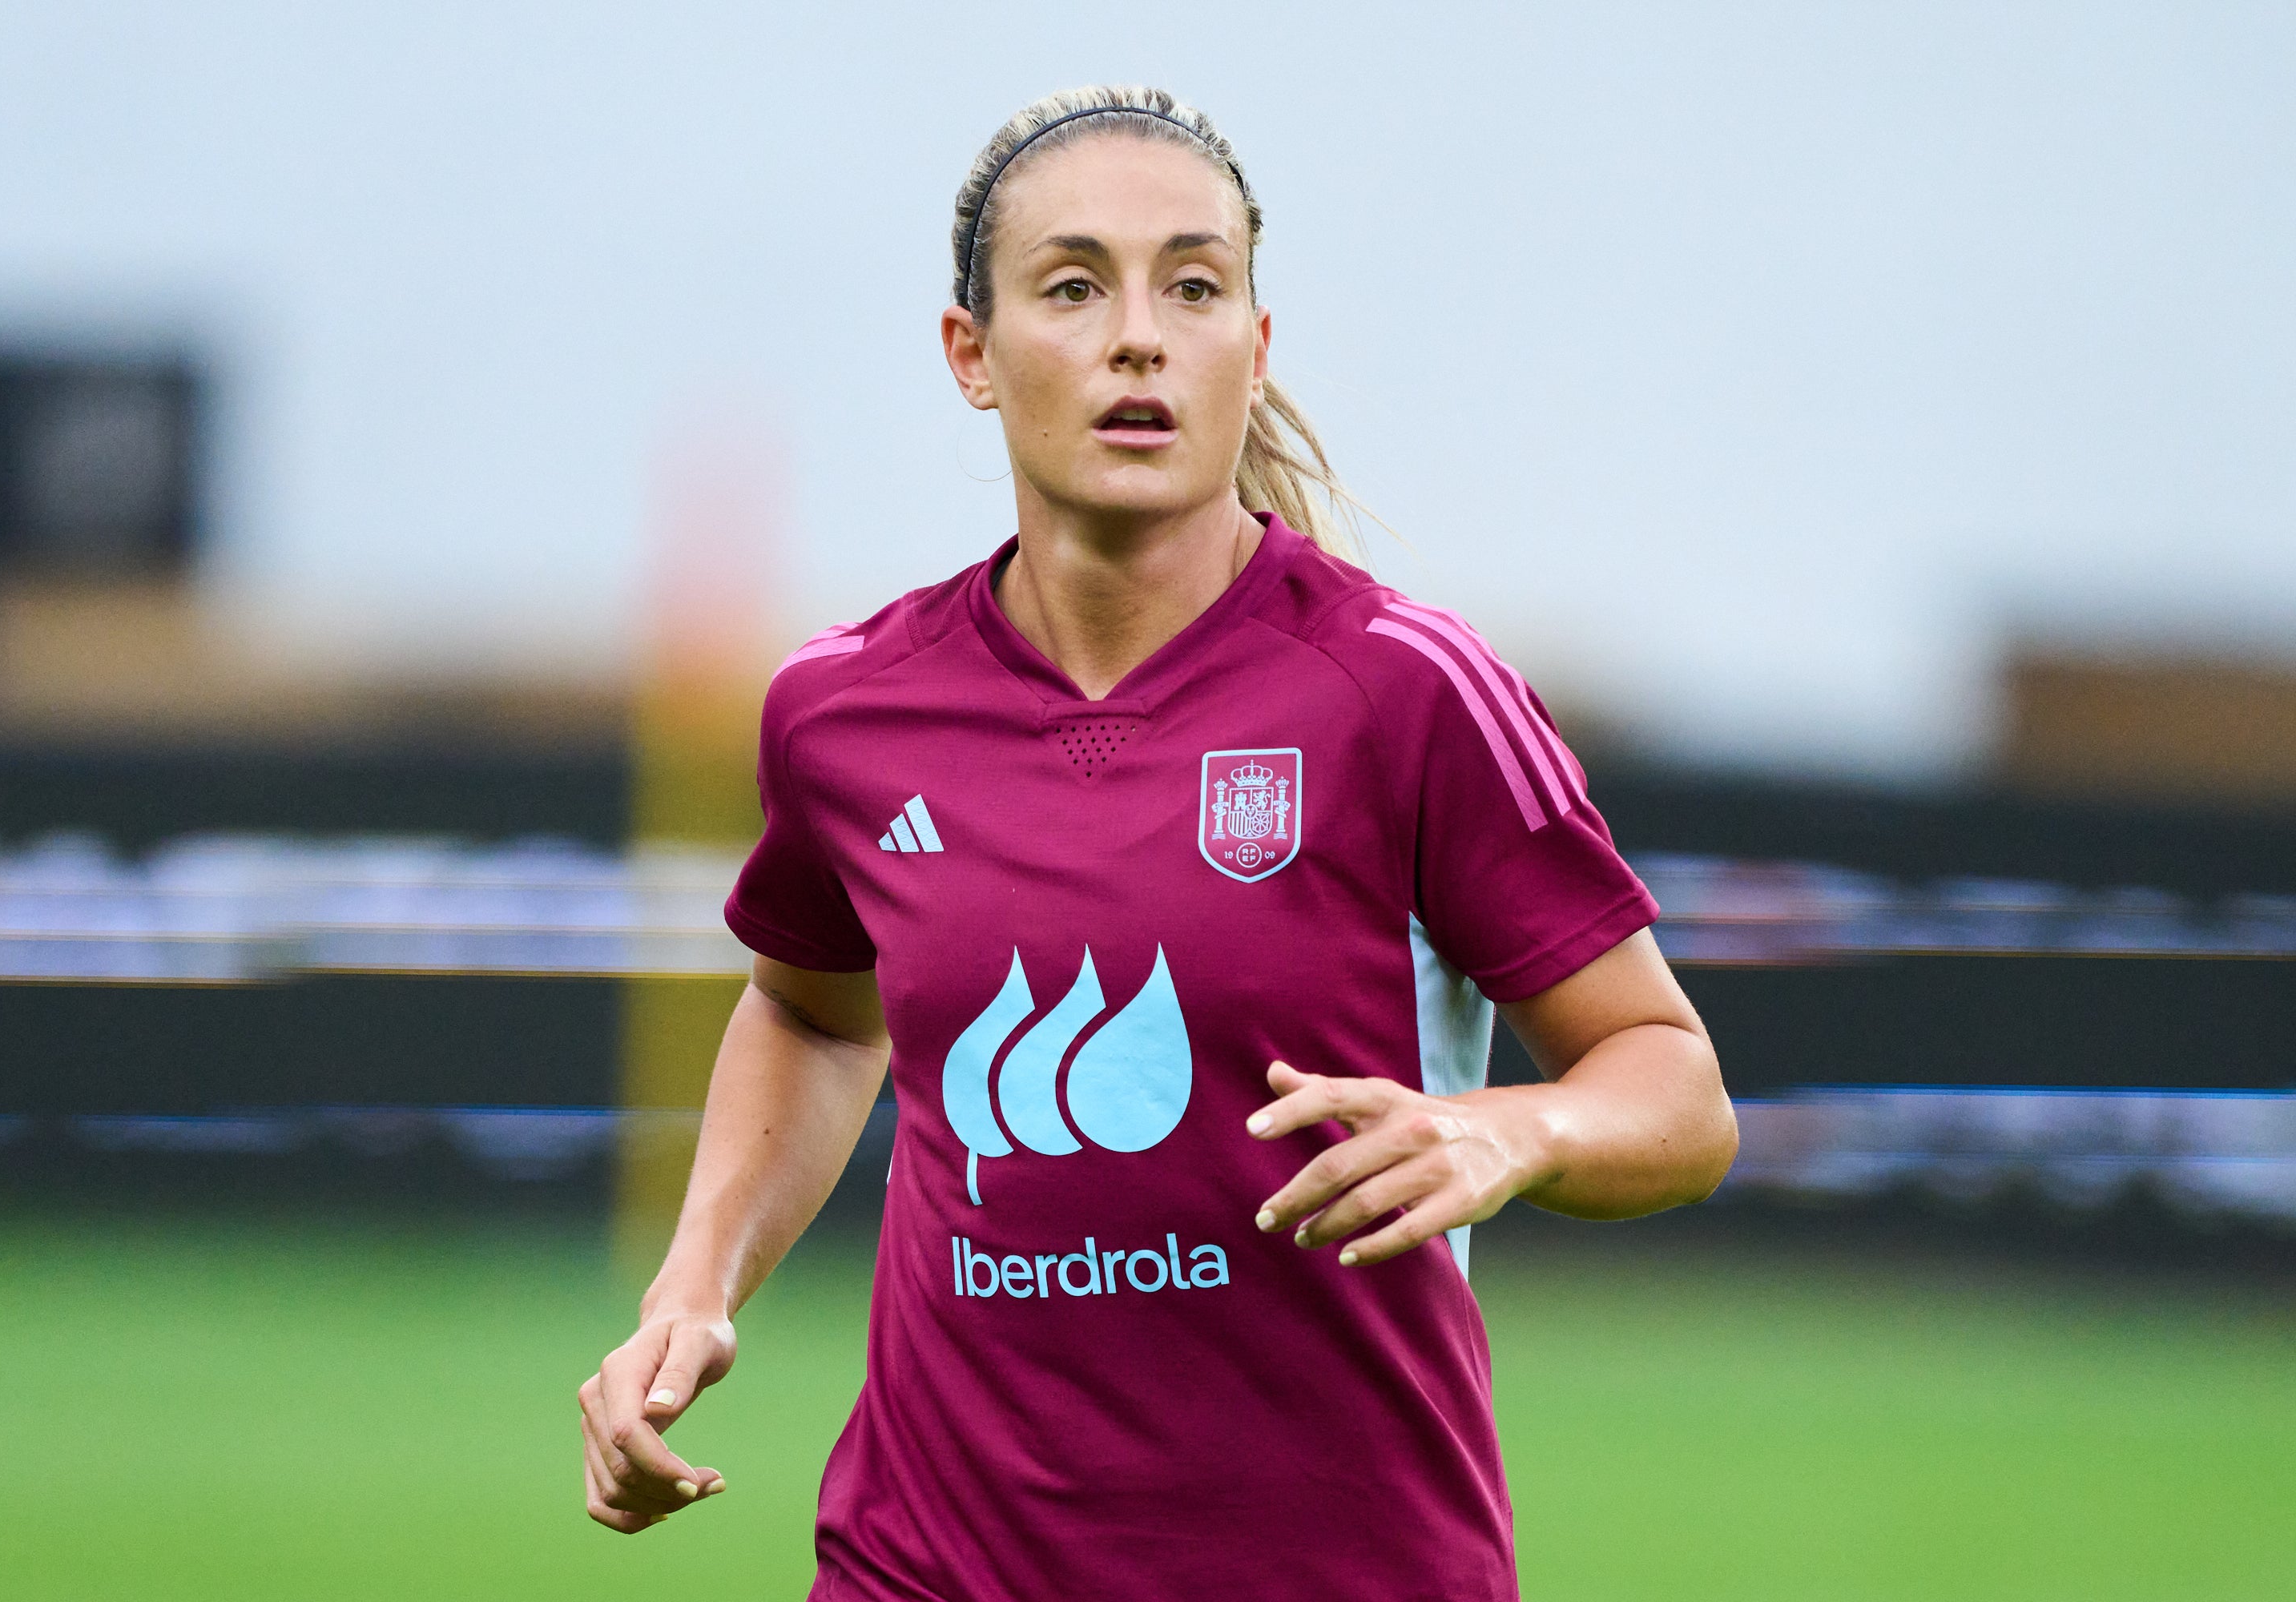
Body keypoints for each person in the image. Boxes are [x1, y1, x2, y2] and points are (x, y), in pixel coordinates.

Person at [580, 84, 1738, 1600]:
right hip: (925, 1565)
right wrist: (697, 1285)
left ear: (1252, 352)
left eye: (1193, 288)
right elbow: (812, 1009)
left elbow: (1676, 1088)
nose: (1139, 336)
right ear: (971, 357)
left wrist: (1508, 1133)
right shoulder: (845, 711)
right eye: (1074, 289)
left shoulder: (1404, 693)